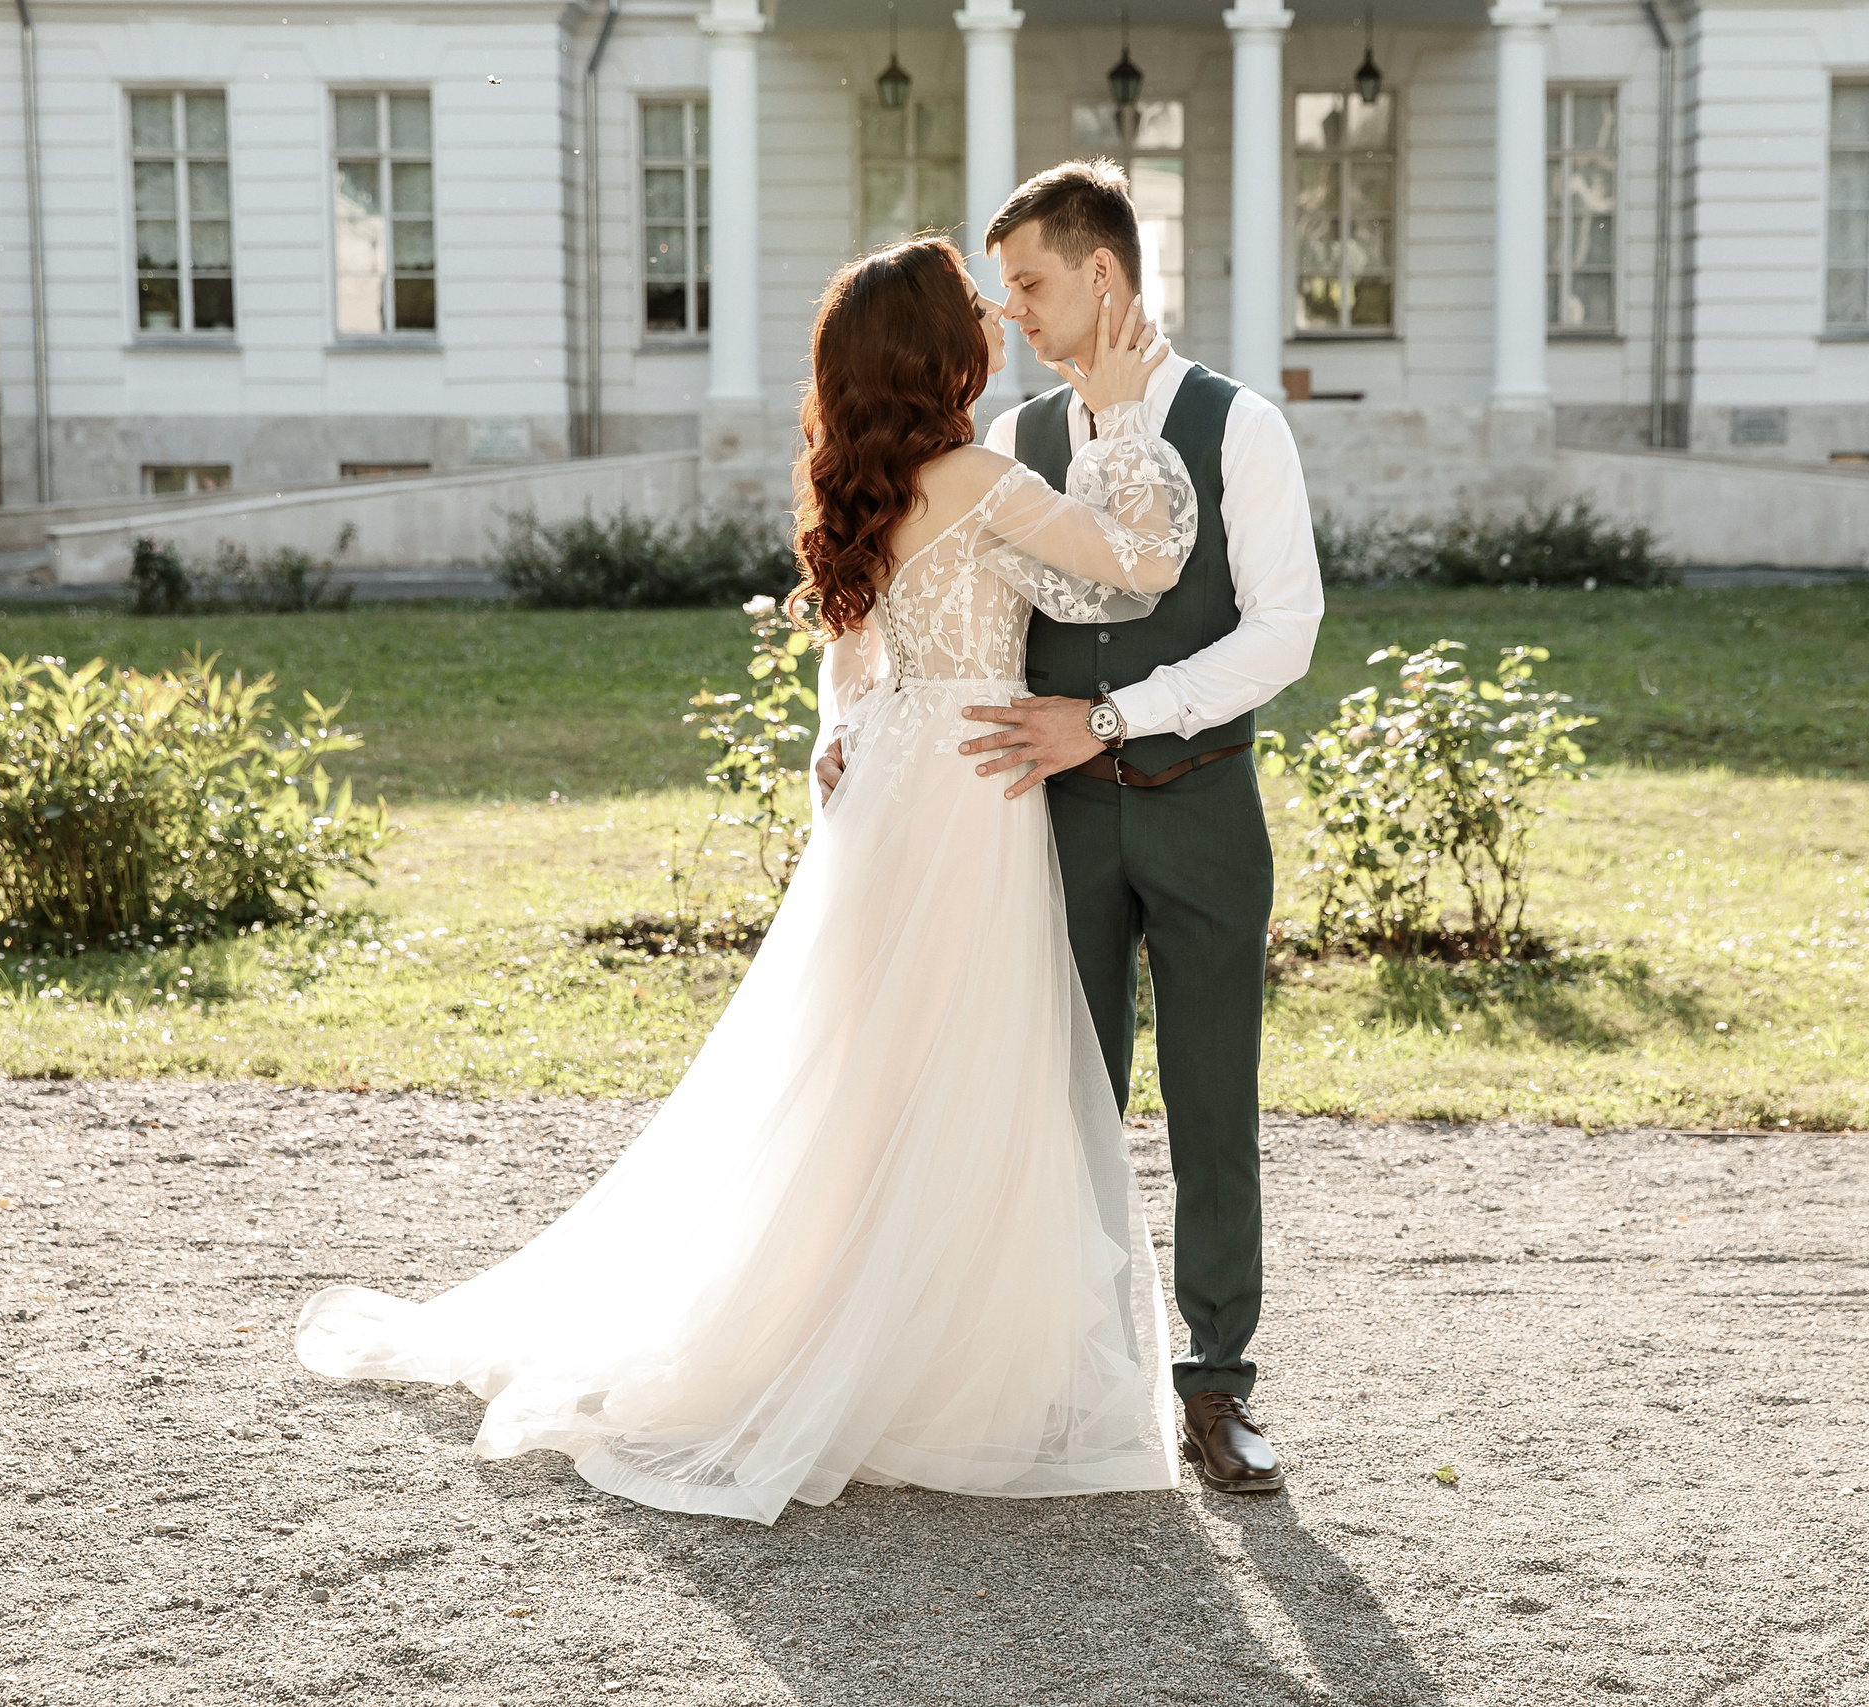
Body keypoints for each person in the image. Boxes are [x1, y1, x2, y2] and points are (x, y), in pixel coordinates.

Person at [294, 237, 1202, 1525]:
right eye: (974, 312)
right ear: (942, 354)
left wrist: (840, 740)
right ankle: (915, 1363)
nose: (999, 323)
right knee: (958, 1066)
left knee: (862, 1071)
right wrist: (1115, 413)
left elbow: (851, 663)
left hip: (891, 784)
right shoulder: (983, 478)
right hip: (967, 789)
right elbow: (1142, 561)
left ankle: (843, 1330)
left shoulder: (868, 485)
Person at [819, 160, 1323, 1495]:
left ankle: (1215, 1388)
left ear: (1102, 276)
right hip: (1040, 828)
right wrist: (858, 720)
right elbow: (907, 608)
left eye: (1032, 286)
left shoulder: (1239, 427)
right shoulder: (1014, 448)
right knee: (1052, 1105)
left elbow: (1286, 633)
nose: (1017, 317)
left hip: (1202, 802)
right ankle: (1071, 1377)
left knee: (1215, 1105)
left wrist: (1110, 720)